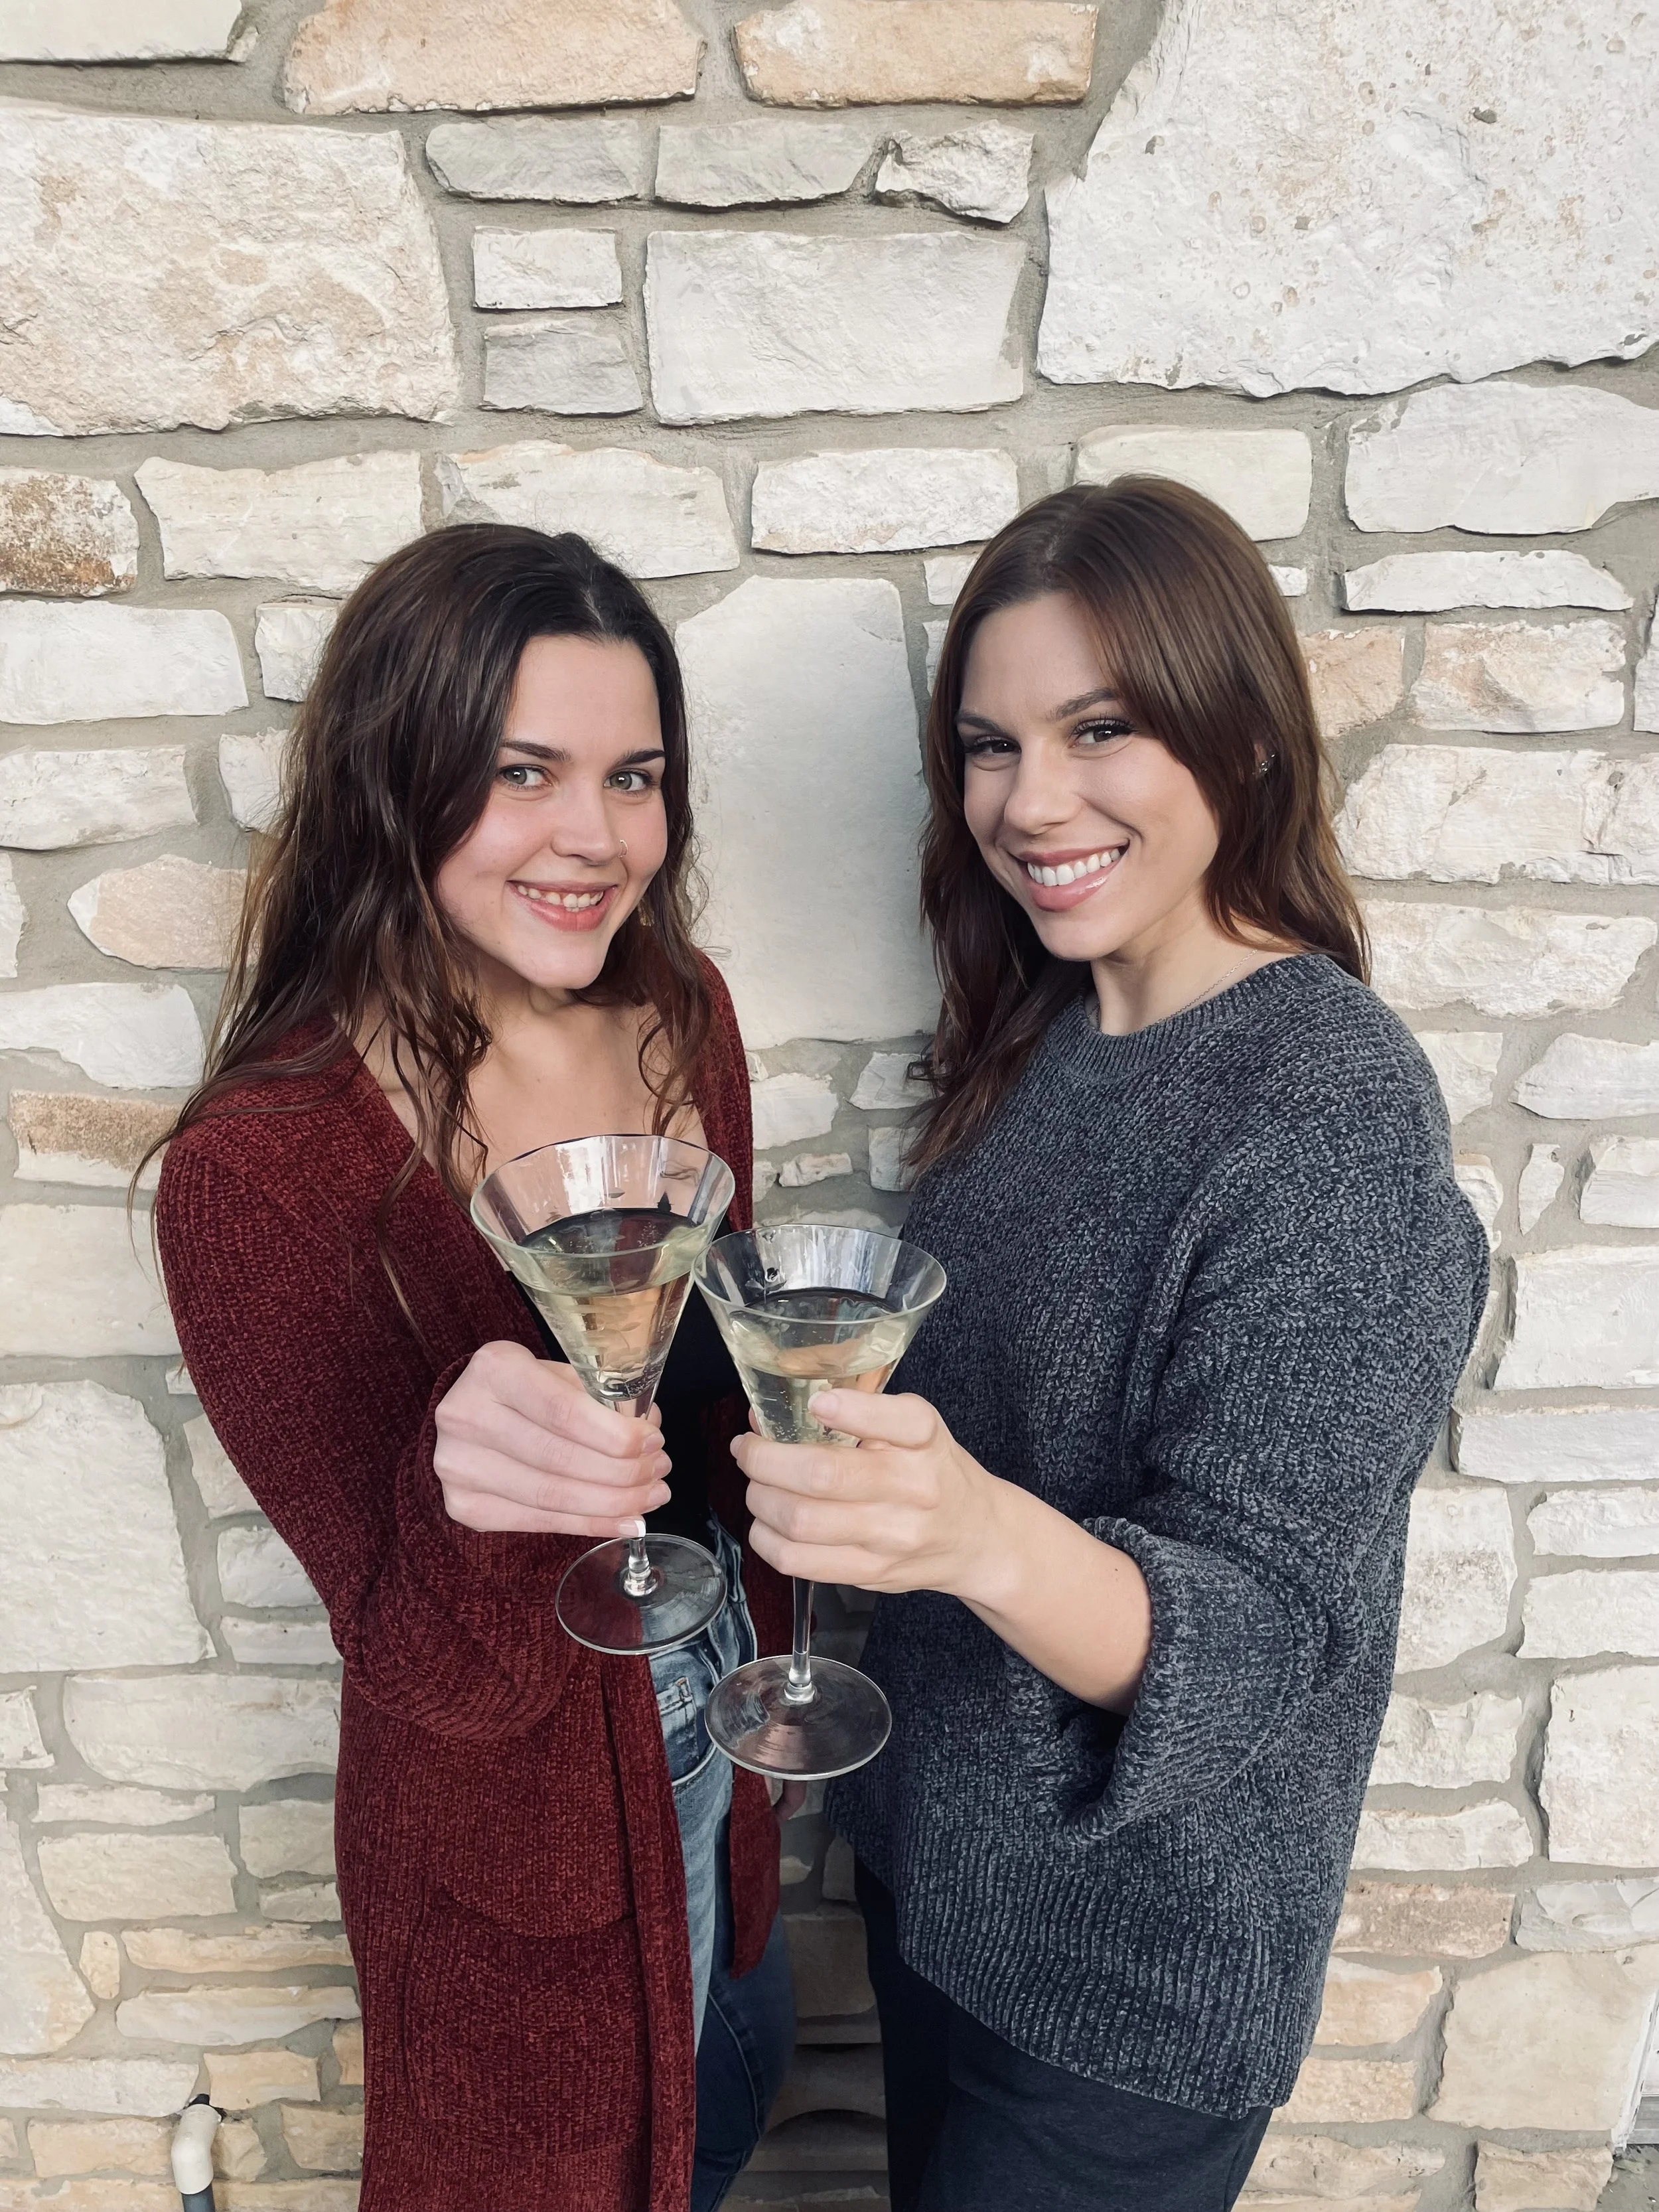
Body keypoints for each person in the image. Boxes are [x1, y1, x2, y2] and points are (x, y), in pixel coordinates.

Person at [727, 480, 1490, 2212]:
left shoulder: (1326, 1112)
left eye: (1099, 729)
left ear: (1241, 734)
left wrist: (972, 1531)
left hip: (1125, 1992)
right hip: (942, 1889)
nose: (1029, 801)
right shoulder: (1047, 1033)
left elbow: (1253, 1642)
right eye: (988, 746)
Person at [152, 525, 795, 2212]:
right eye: (524, 772)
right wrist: (469, 1493)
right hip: (525, 1878)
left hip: (726, 1740)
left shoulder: (684, 1012)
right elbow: (429, 1670)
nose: (597, 836)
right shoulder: (258, 1172)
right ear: (396, 777)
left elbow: (713, 1393)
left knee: (733, 2106)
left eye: (634, 775)